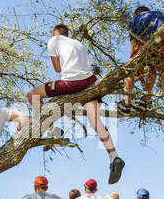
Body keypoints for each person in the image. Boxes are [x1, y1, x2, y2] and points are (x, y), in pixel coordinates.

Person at [26, 24, 125, 185]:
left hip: (72, 82)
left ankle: (53, 130)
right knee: (96, 122)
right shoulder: (77, 42)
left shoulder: (53, 41)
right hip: (91, 81)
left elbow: (58, 69)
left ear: (55, 34)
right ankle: (114, 157)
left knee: (32, 94)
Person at [118, 6, 164, 114]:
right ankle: (145, 99)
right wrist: (162, 77)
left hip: (148, 41)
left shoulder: (136, 18)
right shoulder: (161, 14)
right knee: (152, 66)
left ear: (136, 13)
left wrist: (133, 59)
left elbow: (133, 44)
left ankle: (126, 103)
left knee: (129, 68)